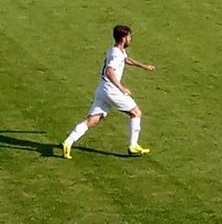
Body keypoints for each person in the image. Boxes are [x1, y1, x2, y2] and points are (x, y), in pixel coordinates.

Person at [61, 25, 156, 159]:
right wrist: (121, 88)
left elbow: (126, 59)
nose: (130, 39)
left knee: (92, 120)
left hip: (102, 90)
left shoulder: (115, 50)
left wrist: (143, 66)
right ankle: (133, 146)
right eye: (129, 36)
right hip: (112, 91)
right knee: (136, 113)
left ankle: (68, 142)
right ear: (124, 38)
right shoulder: (117, 54)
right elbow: (109, 71)